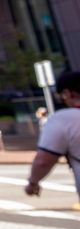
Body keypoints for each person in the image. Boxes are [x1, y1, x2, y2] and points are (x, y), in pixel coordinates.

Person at [24, 69, 80, 209]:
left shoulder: (65, 119)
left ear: (67, 93)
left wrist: (33, 183)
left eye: (62, 96)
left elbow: (43, 161)